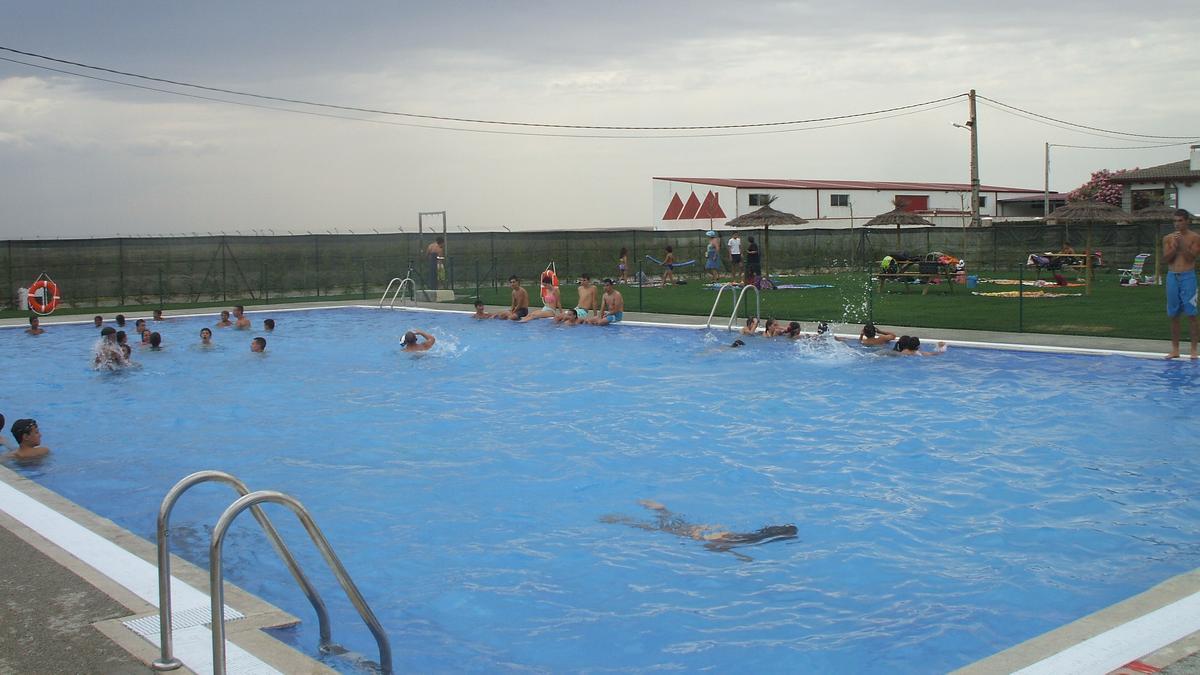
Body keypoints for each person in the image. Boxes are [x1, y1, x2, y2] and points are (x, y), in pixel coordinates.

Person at [600, 500, 797, 561]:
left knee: (668, 524)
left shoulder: (755, 536)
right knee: (656, 528)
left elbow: (716, 545)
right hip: (705, 535)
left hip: (711, 531)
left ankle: (660, 509)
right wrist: (738, 556)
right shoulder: (749, 540)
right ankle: (621, 520)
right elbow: (714, 546)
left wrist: (738, 555)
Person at [1164, 209, 1200, 359]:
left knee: (1191, 314)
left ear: (1187, 221)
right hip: (1172, 276)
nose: (1177, 224)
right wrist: (1173, 247)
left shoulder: (1195, 237)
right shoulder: (1167, 238)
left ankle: (1193, 350)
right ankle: (1175, 349)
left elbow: (1192, 258)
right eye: (1175, 221)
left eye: (1180, 221)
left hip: (1188, 277)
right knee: (1173, 314)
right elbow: (1167, 259)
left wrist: (1182, 245)